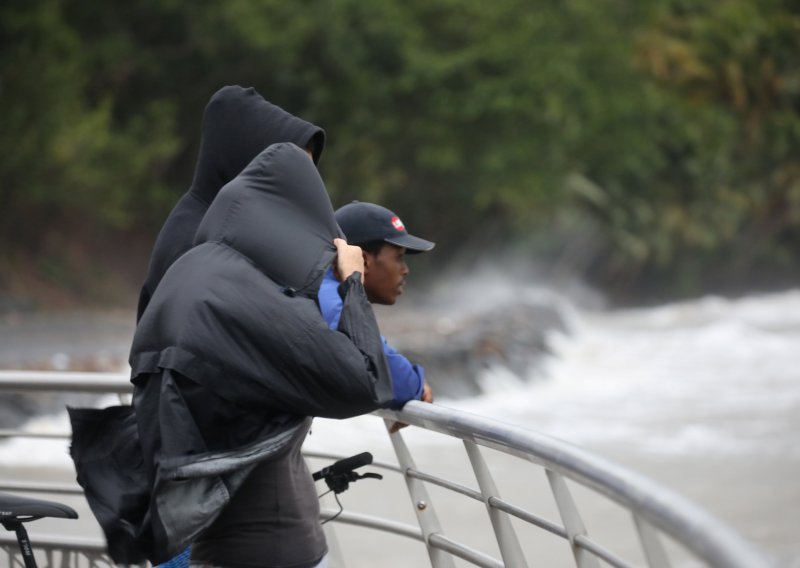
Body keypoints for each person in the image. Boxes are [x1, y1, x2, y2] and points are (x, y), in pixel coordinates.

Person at [69, 143, 405, 567]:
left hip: (217, 548)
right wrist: (353, 282)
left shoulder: (195, 277)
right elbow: (367, 380)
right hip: (277, 550)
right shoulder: (254, 303)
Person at [136, 84, 325, 321]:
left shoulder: (228, 229)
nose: (304, 190)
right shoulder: (196, 244)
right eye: (295, 173)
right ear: (254, 163)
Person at [318, 201, 435, 418]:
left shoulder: (323, 290)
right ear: (363, 260)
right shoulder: (333, 302)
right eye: (399, 257)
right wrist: (417, 387)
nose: (405, 270)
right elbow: (392, 379)